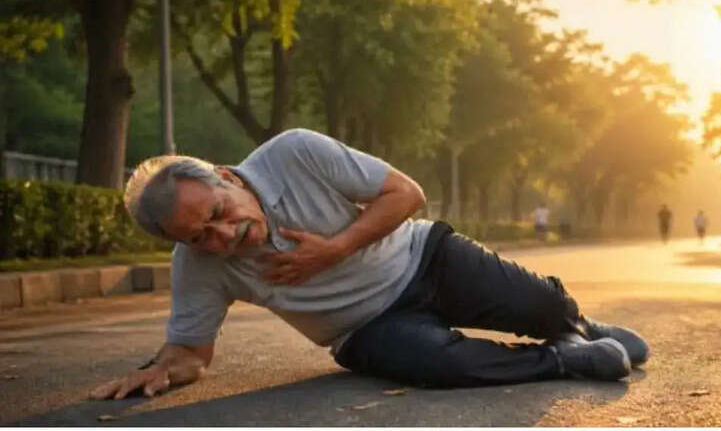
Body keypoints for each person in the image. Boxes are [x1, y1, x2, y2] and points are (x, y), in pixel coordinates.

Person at [89, 129, 649, 400]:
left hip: (425, 257)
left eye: (218, 212)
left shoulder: (293, 152)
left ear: (226, 177)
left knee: (542, 302)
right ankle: (562, 357)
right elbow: (191, 353)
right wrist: (163, 370)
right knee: (441, 365)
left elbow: (407, 194)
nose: (223, 234)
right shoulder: (198, 266)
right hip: (366, 329)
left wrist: (334, 249)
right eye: (200, 237)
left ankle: (573, 323)